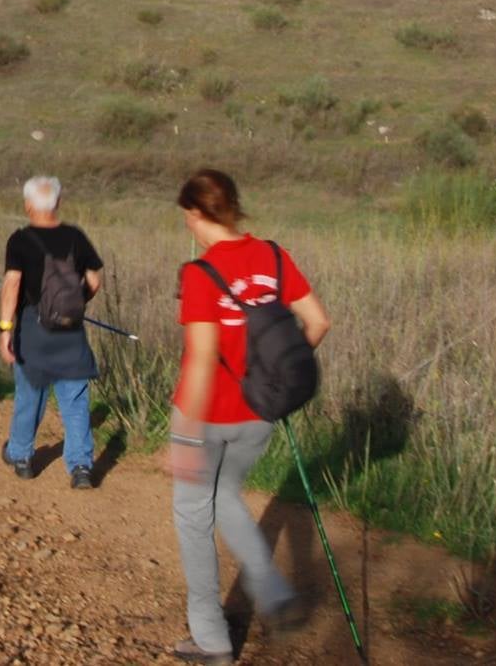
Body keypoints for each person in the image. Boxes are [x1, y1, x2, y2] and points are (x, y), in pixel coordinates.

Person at [166, 169, 331, 664]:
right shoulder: (275, 256)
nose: (188, 228)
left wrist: (183, 434)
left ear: (196, 214)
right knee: (225, 498)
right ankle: (273, 593)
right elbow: (319, 321)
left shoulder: (200, 274)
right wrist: (275, 375)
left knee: (194, 517)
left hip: (208, 413)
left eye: (187, 218)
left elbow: (200, 358)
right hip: (260, 411)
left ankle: (211, 639)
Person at [0, 176, 103, 489]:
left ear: (28, 206)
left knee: (30, 394)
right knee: (75, 398)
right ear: (57, 203)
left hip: (32, 326)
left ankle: (21, 456)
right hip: (70, 329)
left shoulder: (19, 240)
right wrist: (74, 305)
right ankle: (81, 466)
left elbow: (12, 284)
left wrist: (5, 329)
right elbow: (95, 281)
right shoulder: (76, 237)